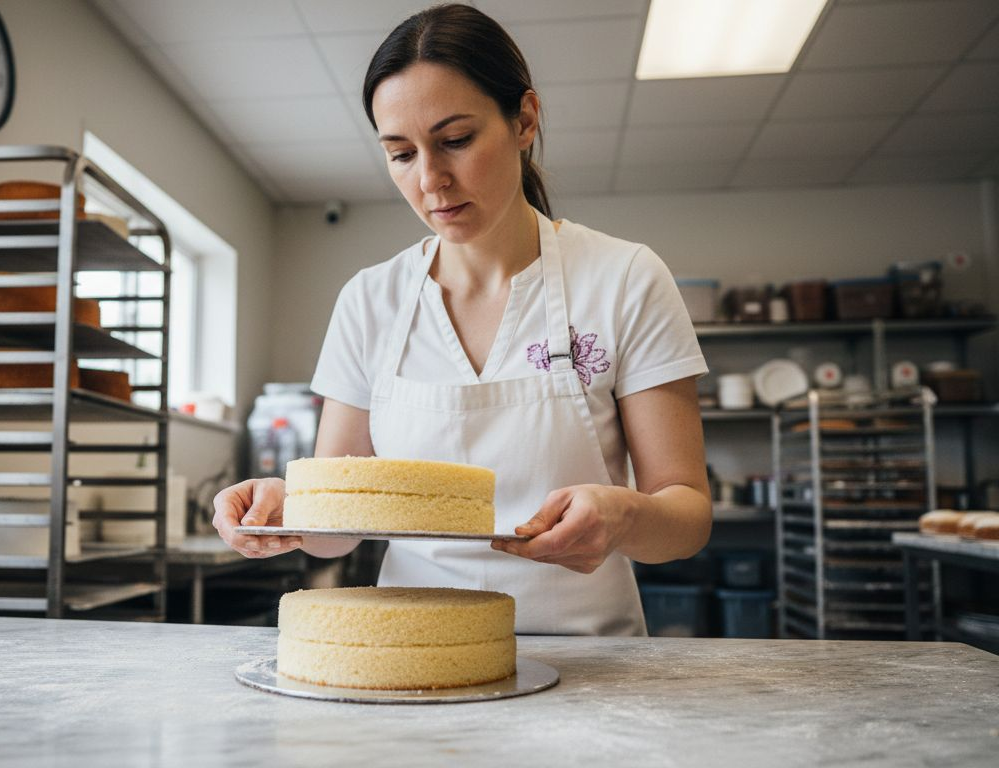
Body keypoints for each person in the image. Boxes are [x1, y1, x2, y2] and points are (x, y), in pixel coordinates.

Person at [214, 3, 710, 635]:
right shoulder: (369, 302)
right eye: (400, 154)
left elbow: (687, 515)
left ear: (524, 119)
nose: (431, 181)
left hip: (590, 665)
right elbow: (335, 533)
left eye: (455, 140)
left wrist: (625, 517)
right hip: (413, 659)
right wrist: (286, 508)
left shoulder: (624, 279)